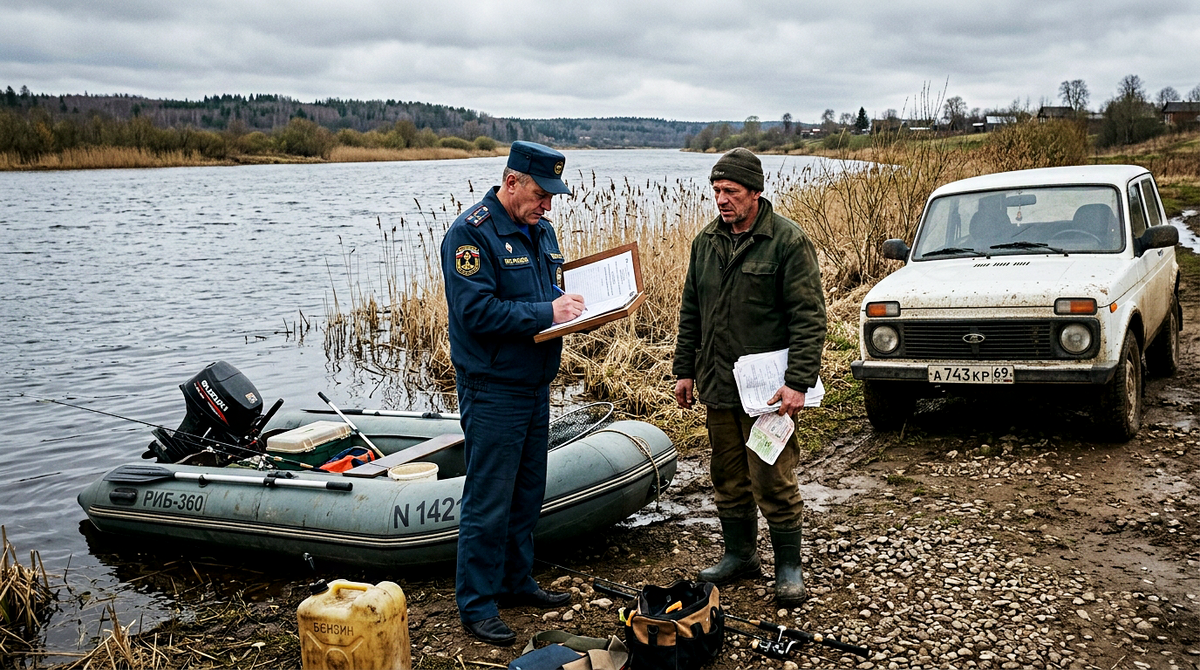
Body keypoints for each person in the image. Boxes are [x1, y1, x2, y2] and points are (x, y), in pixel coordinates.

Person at [440, 141, 585, 645]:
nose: (549, 205)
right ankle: (477, 605)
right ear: (512, 183)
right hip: (493, 388)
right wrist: (549, 314)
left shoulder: (539, 231)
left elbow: (549, 295)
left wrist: (580, 309)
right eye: (542, 194)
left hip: (534, 384)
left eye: (552, 197)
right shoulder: (470, 235)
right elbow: (476, 313)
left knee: (527, 492)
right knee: (488, 500)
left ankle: (516, 581)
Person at [672, 147, 827, 606]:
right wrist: (683, 370)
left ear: (756, 193)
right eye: (717, 191)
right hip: (718, 385)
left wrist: (798, 381)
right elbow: (691, 312)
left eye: (731, 191)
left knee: (772, 475)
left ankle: (788, 567)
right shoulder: (706, 242)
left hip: (768, 393)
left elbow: (809, 317)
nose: (722, 200)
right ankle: (740, 555)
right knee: (728, 474)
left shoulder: (787, 242)